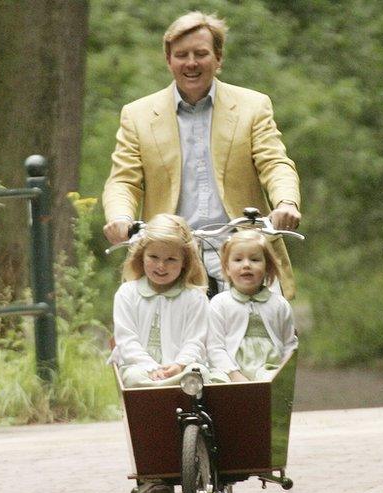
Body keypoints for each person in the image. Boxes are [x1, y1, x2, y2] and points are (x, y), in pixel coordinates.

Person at [101, 11, 302, 299]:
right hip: (172, 256)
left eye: (201, 53)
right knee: (166, 340)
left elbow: (274, 163)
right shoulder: (138, 115)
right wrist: (120, 217)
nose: (191, 63)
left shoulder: (253, 106)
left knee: (259, 338)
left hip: (240, 250)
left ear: (218, 59)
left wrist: (285, 202)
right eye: (181, 54)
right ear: (169, 60)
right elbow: (123, 180)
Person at [109, 214, 224, 389]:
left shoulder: (195, 297)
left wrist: (179, 365)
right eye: (153, 257)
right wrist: (150, 367)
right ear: (142, 256)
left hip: (181, 369)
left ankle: (174, 389)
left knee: (199, 373)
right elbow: (126, 340)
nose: (161, 266)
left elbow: (196, 340)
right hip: (139, 367)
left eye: (171, 259)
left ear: (185, 262)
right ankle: (162, 389)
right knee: (133, 378)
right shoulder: (127, 293)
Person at [207, 231, 297, 382]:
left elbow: (290, 345)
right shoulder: (220, 303)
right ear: (227, 268)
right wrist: (234, 374)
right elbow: (215, 347)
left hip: (269, 370)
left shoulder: (279, 305)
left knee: (270, 384)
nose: (246, 265)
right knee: (213, 382)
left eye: (255, 259)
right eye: (238, 260)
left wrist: (283, 371)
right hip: (230, 371)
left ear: (267, 267)